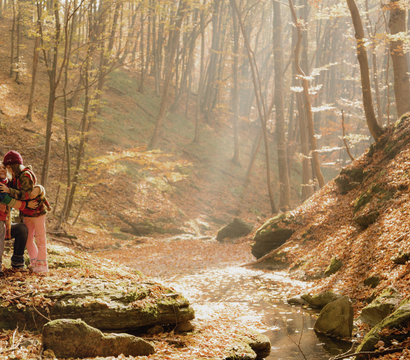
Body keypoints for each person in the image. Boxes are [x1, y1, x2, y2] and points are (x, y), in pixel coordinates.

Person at [0, 151, 51, 274]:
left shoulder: (24, 175)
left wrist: (40, 189)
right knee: (29, 239)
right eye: (4, 167)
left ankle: (41, 264)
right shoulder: (13, 180)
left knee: (39, 237)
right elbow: (8, 195)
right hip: (26, 212)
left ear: (13, 166)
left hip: (37, 211)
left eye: (6, 167)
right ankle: (34, 262)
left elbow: (27, 193)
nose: (6, 170)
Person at [0, 162, 34, 277]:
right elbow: (9, 200)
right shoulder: (1, 186)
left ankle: (17, 263)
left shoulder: (8, 184)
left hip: (4, 223)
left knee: (22, 229)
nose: (2, 170)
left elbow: (22, 193)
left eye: (3, 168)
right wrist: (27, 205)